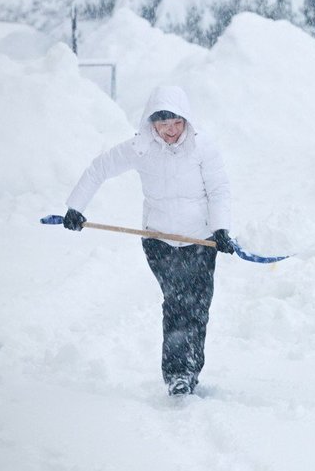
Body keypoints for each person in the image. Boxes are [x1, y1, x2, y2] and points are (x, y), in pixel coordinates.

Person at [63, 85, 233, 396]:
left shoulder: (202, 148)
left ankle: (190, 368)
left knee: (197, 307)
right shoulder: (140, 149)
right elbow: (100, 168)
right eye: (164, 124)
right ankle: (178, 374)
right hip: (159, 241)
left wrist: (221, 228)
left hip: (200, 241)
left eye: (177, 123)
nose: (171, 131)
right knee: (178, 301)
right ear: (151, 123)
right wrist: (75, 207)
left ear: (187, 121)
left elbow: (219, 189)